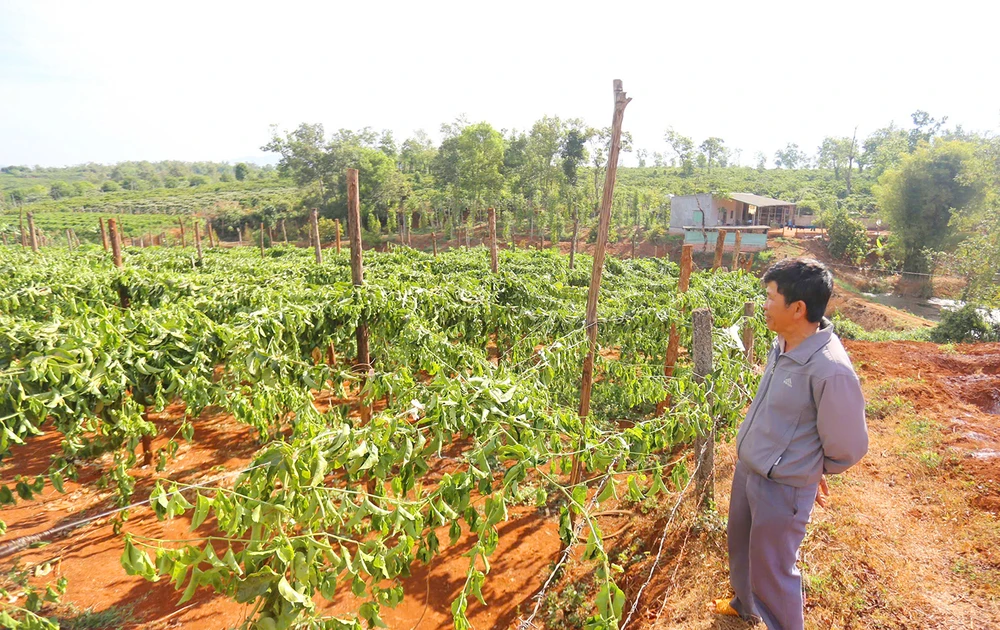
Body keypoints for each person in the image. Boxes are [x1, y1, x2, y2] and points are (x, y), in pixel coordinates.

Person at [713, 258, 868, 630]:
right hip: (751, 466)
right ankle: (744, 604)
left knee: (774, 570)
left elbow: (849, 445)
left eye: (770, 297)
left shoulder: (830, 369)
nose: (764, 304)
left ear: (797, 309)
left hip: (782, 485)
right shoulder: (783, 344)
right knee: (743, 547)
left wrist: (809, 468)